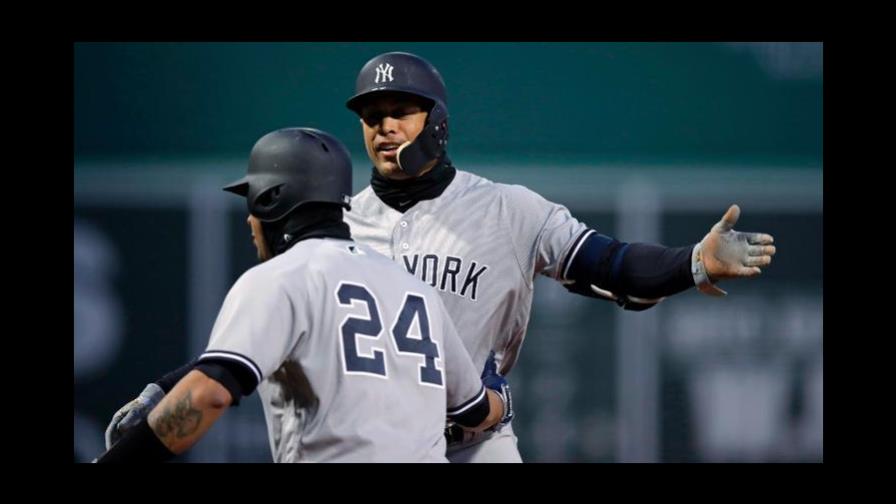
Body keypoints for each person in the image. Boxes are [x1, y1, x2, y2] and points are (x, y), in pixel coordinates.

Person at [340, 52, 777, 463]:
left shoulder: (507, 210)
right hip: (376, 442)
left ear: (436, 121)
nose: (386, 127)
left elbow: (613, 266)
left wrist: (694, 260)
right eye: (373, 117)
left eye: (401, 112)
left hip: (473, 446)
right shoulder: (343, 224)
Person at [96, 127, 509, 463]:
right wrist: (500, 396)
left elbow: (211, 391)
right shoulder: (415, 289)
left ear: (270, 199)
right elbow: (474, 411)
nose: (249, 220)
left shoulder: (281, 276)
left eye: (251, 201)